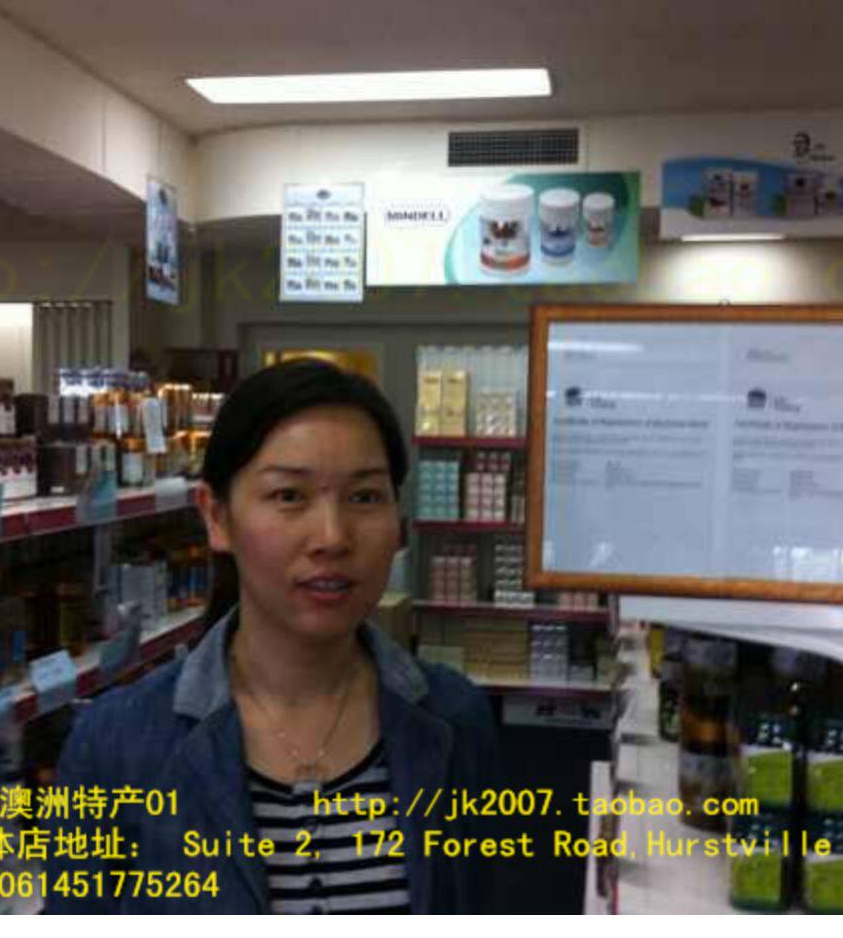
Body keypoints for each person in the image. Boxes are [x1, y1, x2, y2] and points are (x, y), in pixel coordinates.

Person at [44, 359, 502, 913]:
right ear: (217, 517)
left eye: (364, 497)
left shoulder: (454, 719)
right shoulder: (114, 746)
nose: (332, 537)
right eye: (289, 496)